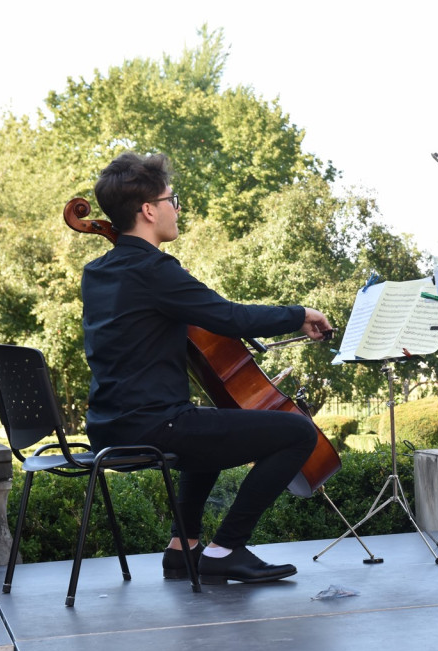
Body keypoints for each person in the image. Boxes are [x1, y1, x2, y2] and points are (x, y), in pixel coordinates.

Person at [83, 152, 333, 585]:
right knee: (298, 433)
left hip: (107, 427)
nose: (176, 209)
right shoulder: (155, 270)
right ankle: (226, 549)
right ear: (148, 210)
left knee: (210, 425)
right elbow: (229, 317)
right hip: (153, 426)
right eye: (171, 200)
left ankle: (184, 549)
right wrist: (299, 313)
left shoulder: (98, 272)